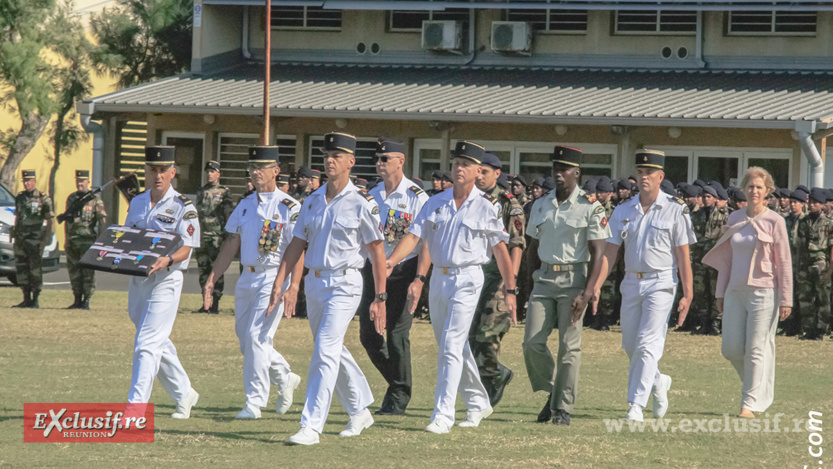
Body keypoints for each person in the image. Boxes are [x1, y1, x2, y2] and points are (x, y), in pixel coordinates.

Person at [386, 140, 518, 434]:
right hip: (439, 280)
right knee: (452, 346)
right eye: (456, 163)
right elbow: (415, 236)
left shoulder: (486, 207)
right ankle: (477, 401)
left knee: (450, 347)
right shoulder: (436, 202)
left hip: (468, 278)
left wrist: (511, 290)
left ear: (478, 171)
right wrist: (391, 261)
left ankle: (442, 415)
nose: (459, 169)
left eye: (466, 165)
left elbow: (500, 250)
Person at [269, 132, 387, 446]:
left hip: (346, 282)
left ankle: (311, 425)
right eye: (326, 154)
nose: (330, 160)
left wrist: (380, 297)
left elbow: (376, 251)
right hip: (315, 282)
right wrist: (281, 283)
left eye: (337, 155)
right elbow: (297, 243)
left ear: (351, 162)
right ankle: (360, 408)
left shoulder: (362, 203)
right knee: (331, 349)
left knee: (324, 350)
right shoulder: (311, 200)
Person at [203, 146, 303, 419]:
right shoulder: (245, 204)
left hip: (273, 276)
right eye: (252, 167)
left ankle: (254, 403)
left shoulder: (290, 207)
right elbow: (231, 242)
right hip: (246, 276)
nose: (255, 172)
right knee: (245, 341)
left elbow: (299, 247)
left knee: (257, 338)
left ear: (276, 171)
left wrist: (293, 286)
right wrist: (213, 277)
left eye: (262, 167)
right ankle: (284, 375)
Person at [594, 150, 695, 422]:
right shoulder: (624, 209)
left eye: (649, 172)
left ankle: (635, 405)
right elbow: (610, 252)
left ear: (661, 177)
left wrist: (688, 293)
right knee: (630, 344)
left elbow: (683, 254)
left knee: (647, 344)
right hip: (631, 282)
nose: (644, 177)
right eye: (640, 172)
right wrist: (596, 285)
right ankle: (658, 381)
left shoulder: (676, 209)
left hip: (662, 282)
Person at [523, 146, 609, 426]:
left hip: (574, 280)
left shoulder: (590, 206)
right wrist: (526, 285)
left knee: (568, 348)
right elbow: (532, 247)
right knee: (532, 343)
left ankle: (562, 408)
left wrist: (588, 291)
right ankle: (553, 391)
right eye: (555, 168)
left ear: (577, 173)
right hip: (543, 279)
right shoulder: (541, 204)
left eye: (565, 169)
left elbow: (598, 252)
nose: (558, 173)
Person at [702, 167, 791, 418]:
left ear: (768, 192)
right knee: (730, 348)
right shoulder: (734, 219)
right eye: (750, 186)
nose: (754, 191)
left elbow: (784, 263)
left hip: (765, 293)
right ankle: (756, 386)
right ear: (744, 189)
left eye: (759, 188)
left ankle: (748, 404)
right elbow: (726, 259)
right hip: (734, 291)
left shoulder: (776, 221)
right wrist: (720, 293)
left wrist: (786, 299)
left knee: (756, 349)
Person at [123, 145, 200, 418]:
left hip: (166, 279)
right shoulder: (138, 202)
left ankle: (134, 410)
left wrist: (167, 260)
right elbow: (129, 237)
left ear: (173, 172)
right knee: (156, 340)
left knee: (146, 343)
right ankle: (183, 392)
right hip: (140, 279)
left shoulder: (183, 207)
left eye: (163, 171)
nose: (157, 176)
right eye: (152, 170)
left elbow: (188, 246)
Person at [357, 137, 429, 416]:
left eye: (385, 159)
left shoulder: (417, 197)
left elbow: (424, 241)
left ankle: (398, 394)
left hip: (404, 270)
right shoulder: (372, 195)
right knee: (369, 335)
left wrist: (418, 279)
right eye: (377, 158)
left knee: (397, 334)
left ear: (401, 161)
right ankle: (398, 382)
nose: (379, 163)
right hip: (375, 271)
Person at [470, 152, 525, 407]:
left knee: (488, 334)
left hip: (497, 278)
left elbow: (516, 244)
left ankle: (493, 378)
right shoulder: (468, 198)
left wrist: (509, 283)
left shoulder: (508, 203)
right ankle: (487, 381)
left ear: (496, 174)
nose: (479, 175)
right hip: (471, 276)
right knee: (469, 338)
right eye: (476, 170)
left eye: (484, 171)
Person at [194, 160, 234, 314]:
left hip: (215, 236)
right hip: (201, 236)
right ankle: (205, 303)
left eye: (212, 171)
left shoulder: (224, 192)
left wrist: (226, 234)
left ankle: (215, 302)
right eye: (208, 171)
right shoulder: (201, 191)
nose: (209, 174)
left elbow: (228, 214)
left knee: (216, 269)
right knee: (203, 268)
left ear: (218, 174)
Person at [63, 170, 106, 309]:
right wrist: (66, 239)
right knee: (74, 272)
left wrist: (100, 240)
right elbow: (67, 219)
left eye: (82, 181)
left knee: (88, 273)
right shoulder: (71, 198)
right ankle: (76, 299)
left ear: (88, 182)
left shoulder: (94, 198)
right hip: (72, 240)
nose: (79, 183)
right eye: (78, 180)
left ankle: (86, 300)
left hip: (87, 240)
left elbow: (102, 219)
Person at [12, 170, 53, 309]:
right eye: (24, 181)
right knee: (22, 269)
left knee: (35, 270)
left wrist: (46, 239)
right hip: (20, 239)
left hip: (34, 239)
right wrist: (15, 233)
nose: (26, 183)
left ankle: (35, 299)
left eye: (29, 181)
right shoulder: (20, 197)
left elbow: (49, 220)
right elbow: (17, 216)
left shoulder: (43, 198)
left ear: (34, 181)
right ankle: (26, 298)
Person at [795, 188, 833, 340]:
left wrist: (830, 271)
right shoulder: (804, 221)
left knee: (823, 299)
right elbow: (799, 245)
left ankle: (820, 330)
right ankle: (809, 328)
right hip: (805, 264)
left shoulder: (829, 223)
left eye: (815, 203)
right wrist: (798, 266)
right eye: (810, 202)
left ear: (823, 205)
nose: (812, 205)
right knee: (805, 298)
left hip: (821, 264)